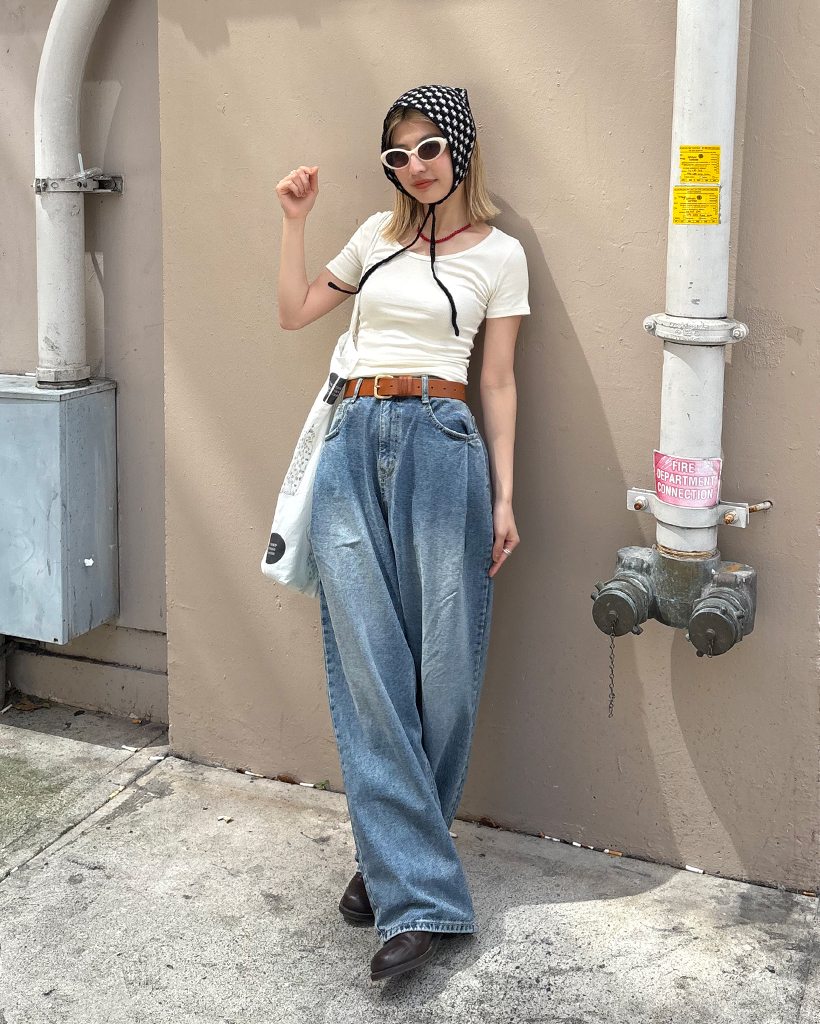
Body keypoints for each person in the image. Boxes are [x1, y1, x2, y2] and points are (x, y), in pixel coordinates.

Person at [275, 84, 530, 982]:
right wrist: (295, 222)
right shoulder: (373, 239)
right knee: (370, 665)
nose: (414, 166)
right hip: (352, 440)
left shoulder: (500, 254)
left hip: (443, 441)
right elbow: (295, 311)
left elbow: (497, 380)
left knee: (444, 668)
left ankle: (389, 860)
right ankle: (417, 893)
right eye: (397, 155)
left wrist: (505, 496)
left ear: (459, 148)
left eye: (428, 148)